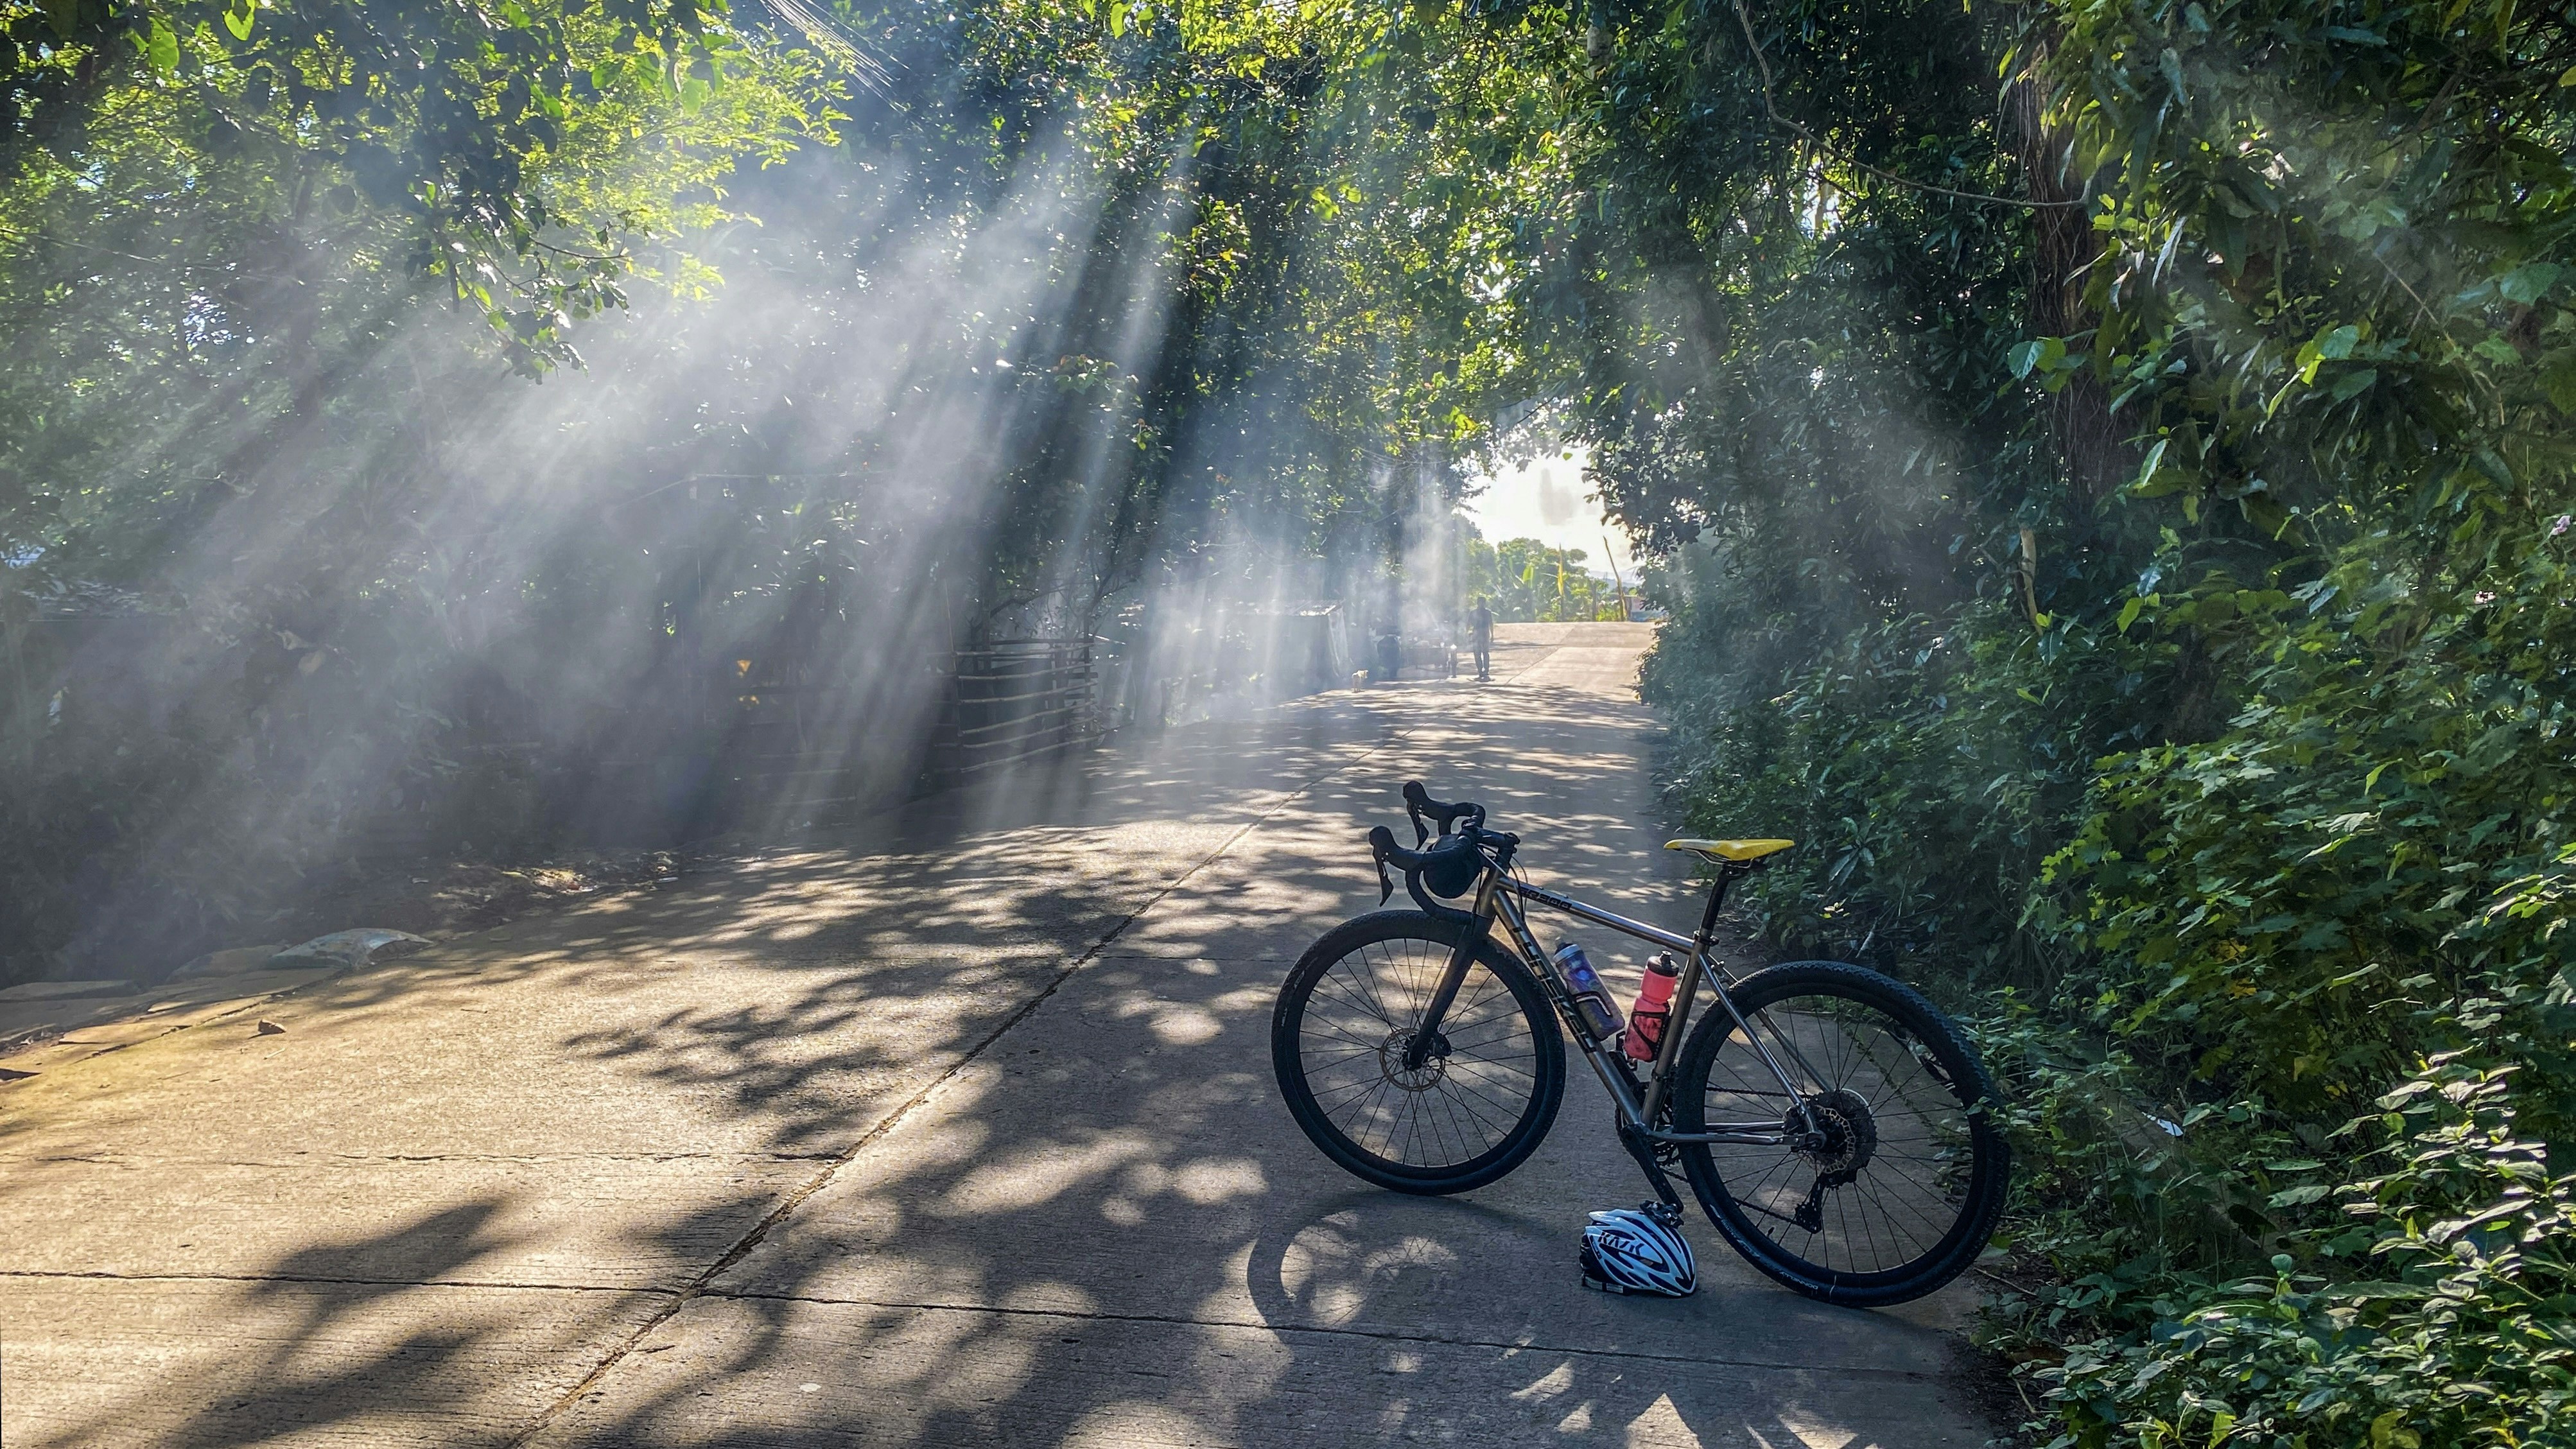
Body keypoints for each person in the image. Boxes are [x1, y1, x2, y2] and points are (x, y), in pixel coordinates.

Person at [1469, 597, 1493, 681]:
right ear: (1477, 603)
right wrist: (1466, 634)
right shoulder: (1473, 613)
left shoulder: (1488, 613)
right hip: (1476, 634)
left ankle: (1486, 670)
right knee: (1477, 653)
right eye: (1480, 602)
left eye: (1483, 603)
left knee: (1485, 653)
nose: (1481, 604)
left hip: (1485, 634)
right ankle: (1480, 670)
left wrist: (1492, 635)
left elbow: (1491, 624)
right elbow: (1468, 624)